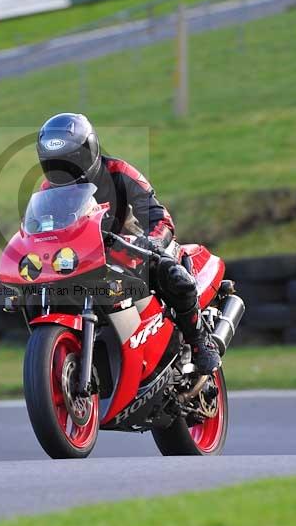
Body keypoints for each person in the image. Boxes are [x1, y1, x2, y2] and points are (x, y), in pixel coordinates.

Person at [36, 112, 221, 374]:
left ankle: (200, 342)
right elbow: (41, 232)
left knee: (174, 275)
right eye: (55, 164)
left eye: (71, 162)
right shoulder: (48, 192)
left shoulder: (119, 173)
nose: (64, 171)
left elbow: (158, 217)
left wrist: (153, 242)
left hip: (129, 248)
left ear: (88, 152)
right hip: (82, 260)